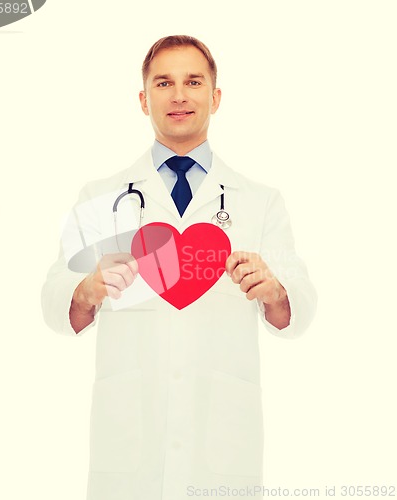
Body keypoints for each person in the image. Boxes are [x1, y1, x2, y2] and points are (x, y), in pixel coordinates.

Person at [42, 35, 317, 500]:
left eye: (194, 81)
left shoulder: (260, 201)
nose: (179, 95)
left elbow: (301, 306)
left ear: (216, 96)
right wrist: (86, 289)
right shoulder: (100, 195)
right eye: (163, 82)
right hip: (129, 440)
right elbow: (53, 298)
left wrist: (275, 290)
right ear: (143, 98)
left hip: (222, 440)